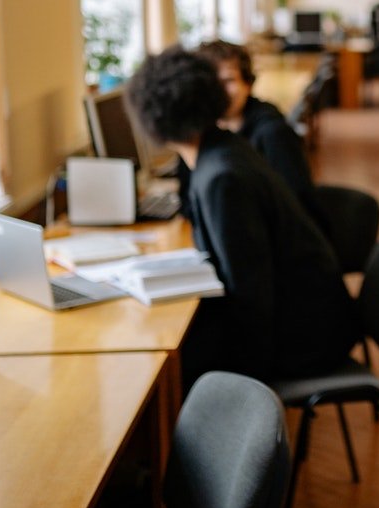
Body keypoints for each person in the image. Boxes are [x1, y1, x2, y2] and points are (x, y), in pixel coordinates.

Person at [125, 46, 360, 390]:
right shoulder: (221, 151)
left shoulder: (222, 177)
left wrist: (245, 386)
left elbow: (250, 292)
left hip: (306, 335)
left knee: (165, 371)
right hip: (304, 314)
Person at [183, 39, 331, 236]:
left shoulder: (273, 133)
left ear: (248, 83)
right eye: (211, 83)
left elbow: (296, 209)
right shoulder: (198, 133)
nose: (219, 92)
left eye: (229, 81)